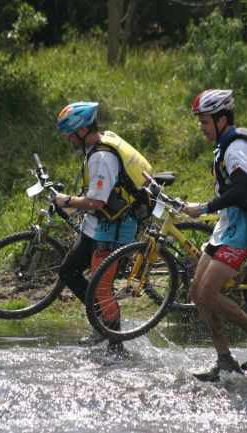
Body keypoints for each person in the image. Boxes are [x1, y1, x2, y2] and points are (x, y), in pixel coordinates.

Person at [183, 89, 247, 382]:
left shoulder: (236, 148)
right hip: (225, 228)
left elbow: (239, 189)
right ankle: (225, 360)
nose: (201, 128)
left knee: (209, 293)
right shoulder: (224, 145)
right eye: (199, 122)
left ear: (222, 119)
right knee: (196, 293)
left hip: (242, 232)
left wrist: (204, 208)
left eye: (205, 122)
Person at [54, 101, 140, 356]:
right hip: (97, 223)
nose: (68, 139)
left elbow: (98, 201)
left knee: (101, 287)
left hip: (115, 225)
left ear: (82, 131)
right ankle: (102, 325)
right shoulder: (96, 146)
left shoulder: (101, 157)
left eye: (69, 133)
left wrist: (66, 200)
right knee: (68, 271)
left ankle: (116, 345)